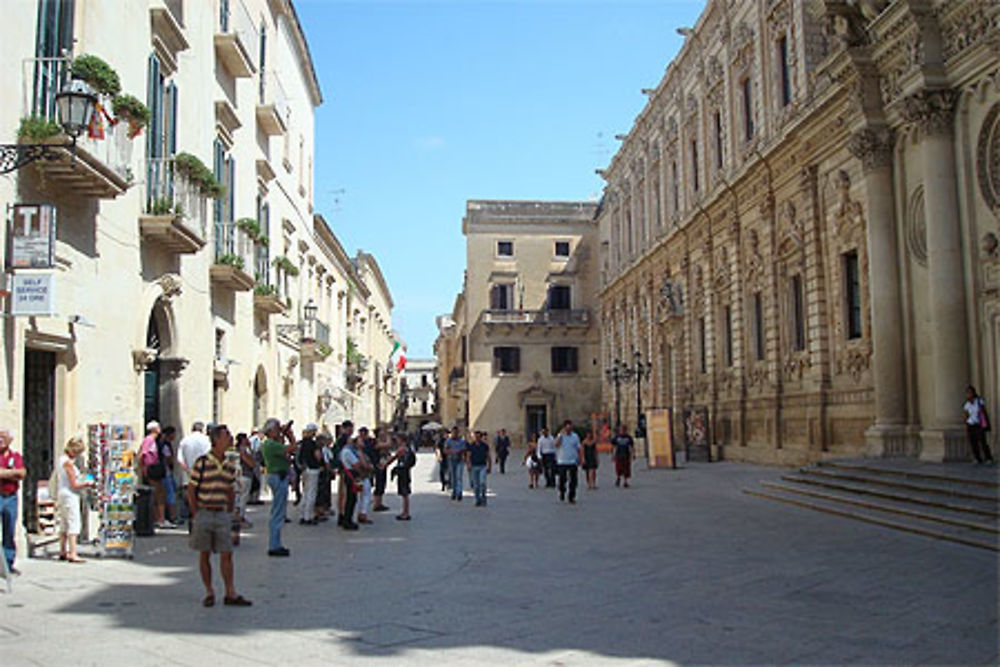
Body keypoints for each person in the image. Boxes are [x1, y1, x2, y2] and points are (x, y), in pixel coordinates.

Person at [187, 424, 251, 608]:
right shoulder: (203, 462)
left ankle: (230, 591)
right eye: (227, 435)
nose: (230, 438)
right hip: (205, 512)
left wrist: (230, 511)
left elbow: (230, 490)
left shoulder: (230, 466)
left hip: (222, 513)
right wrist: (195, 513)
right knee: (204, 553)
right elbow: (191, 489)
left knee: (227, 553)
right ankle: (209, 591)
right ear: (216, 440)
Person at [260, 418, 297, 557]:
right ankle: (274, 545)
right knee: (277, 512)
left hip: (278, 476)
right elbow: (292, 448)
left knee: (278, 511)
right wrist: (290, 435)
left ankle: (276, 543)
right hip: (277, 477)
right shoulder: (270, 444)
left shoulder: (272, 444)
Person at [56, 437, 94, 563]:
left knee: (64, 522)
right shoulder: (68, 463)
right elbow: (74, 484)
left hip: (62, 492)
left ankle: (62, 550)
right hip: (70, 495)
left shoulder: (60, 460)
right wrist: (87, 483)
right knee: (73, 523)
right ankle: (72, 552)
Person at [0, 428, 25, 575]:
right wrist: (12, 473)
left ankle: (8, 565)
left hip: (11, 497)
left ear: (10, 440)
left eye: (3, 437)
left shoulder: (15, 456)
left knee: (9, 531)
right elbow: (16, 473)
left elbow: (21, 473)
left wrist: (4, 473)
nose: (0, 440)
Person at [177, 422, 211, 520]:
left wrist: (188, 471)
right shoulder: (206, 440)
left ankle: (192, 522)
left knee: (189, 500)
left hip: (188, 476)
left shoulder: (184, 440)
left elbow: (180, 459)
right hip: (204, 475)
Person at [339, 432, 370, 530]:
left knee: (351, 498)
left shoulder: (346, 451)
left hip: (349, 474)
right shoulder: (348, 451)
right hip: (352, 475)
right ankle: (348, 521)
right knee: (351, 499)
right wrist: (361, 473)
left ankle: (347, 519)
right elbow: (356, 464)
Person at [383, 433, 416, 520]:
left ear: (401, 440)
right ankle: (405, 512)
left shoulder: (402, 449)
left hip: (402, 472)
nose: (396, 441)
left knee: (404, 493)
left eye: (397, 439)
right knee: (405, 493)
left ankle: (406, 513)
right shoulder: (408, 448)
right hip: (406, 471)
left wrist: (384, 465)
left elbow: (393, 458)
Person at [296, 423, 323, 525]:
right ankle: (308, 516)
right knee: (312, 493)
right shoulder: (312, 443)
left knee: (305, 492)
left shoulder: (302, 443)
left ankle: (302, 515)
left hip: (304, 469)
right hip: (313, 469)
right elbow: (318, 456)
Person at [963, 386, 996, 465]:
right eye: (967, 393)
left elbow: (983, 412)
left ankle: (988, 458)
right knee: (973, 442)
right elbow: (966, 414)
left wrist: (985, 423)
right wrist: (966, 422)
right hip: (971, 424)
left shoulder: (979, 401)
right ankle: (978, 458)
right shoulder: (967, 404)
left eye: (970, 393)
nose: (969, 395)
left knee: (982, 441)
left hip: (979, 424)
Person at [554, 420, 581, 504]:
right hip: (562, 461)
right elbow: (556, 445)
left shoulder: (575, 436)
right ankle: (562, 491)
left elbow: (579, 448)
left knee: (573, 480)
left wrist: (580, 458)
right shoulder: (560, 436)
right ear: (564, 427)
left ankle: (571, 496)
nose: (569, 429)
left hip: (573, 461)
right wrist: (560, 436)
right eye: (567, 428)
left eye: (570, 427)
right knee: (562, 479)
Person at [158, 426, 179, 526]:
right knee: (170, 494)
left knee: (168, 493)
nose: (175, 436)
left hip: (164, 472)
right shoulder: (165, 444)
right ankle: (171, 516)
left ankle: (168, 516)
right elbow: (168, 458)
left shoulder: (162, 443)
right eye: (173, 434)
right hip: (166, 472)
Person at [234, 432, 255, 527]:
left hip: (239, 476)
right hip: (244, 475)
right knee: (243, 498)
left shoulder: (237, 450)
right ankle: (240, 517)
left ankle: (239, 515)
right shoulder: (242, 451)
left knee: (239, 497)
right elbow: (251, 463)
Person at [357, 427, 376, 524]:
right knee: (366, 494)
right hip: (362, 475)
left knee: (364, 494)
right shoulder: (359, 452)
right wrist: (370, 467)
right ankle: (362, 514)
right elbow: (363, 464)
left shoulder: (369, 445)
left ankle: (362, 513)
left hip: (362, 475)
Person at [467, 431, 492, 506]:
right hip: (474, 466)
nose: (476, 438)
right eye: (475, 437)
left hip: (482, 466)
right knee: (476, 485)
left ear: (481, 437)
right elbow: (468, 456)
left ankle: (483, 497)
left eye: (478, 437)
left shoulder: (485, 446)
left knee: (482, 483)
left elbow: (488, 456)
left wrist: (489, 466)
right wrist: (468, 465)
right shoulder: (471, 446)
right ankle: (477, 499)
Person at [372, 427, 392, 513]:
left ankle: (379, 503)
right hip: (378, 465)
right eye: (382, 433)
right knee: (379, 483)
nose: (384, 434)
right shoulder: (375, 442)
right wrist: (388, 436)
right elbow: (388, 444)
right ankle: (376, 504)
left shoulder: (381, 441)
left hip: (383, 465)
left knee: (383, 483)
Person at [444, 427, 468, 501]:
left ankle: (459, 493)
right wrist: (452, 451)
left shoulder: (462, 441)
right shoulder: (448, 441)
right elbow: (445, 450)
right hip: (451, 460)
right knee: (453, 477)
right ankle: (454, 492)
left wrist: (464, 457)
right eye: (454, 432)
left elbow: (464, 450)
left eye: (456, 432)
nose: (455, 434)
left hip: (460, 460)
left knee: (459, 477)